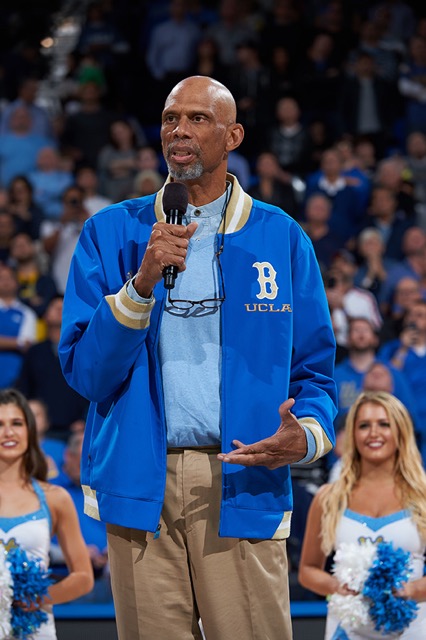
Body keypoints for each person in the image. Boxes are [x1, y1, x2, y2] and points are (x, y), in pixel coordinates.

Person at [59, 75, 337, 640]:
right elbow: (87, 373)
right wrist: (139, 286)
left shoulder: (280, 238)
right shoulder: (110, 232)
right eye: (170, 118)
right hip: (141, 483)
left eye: (198, 119)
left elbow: (315, 370)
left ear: (232, 135)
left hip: (243, 478)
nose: (179, 130)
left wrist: (305, 437)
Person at [298, 391, 426, 639]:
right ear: (353, 435)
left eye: (384, 424)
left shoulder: (422, 495)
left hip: (412, 627)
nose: (373, 433)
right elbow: (308, 570)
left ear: (401, 431)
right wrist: (337, 586)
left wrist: (411, 589)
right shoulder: (329, 497)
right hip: (347, 630)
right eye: (364, 425)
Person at [0, 388, 94, 638]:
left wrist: (37, 596)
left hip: (34, 628)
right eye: (0, 424)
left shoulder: (55, 497)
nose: (8, 432)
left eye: (17, 423)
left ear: (30, 431)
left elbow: (84, 577)